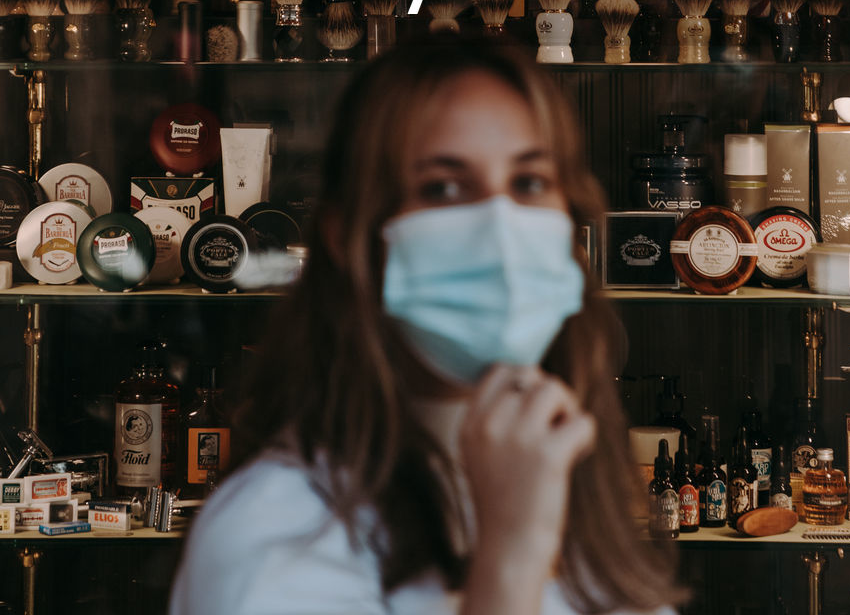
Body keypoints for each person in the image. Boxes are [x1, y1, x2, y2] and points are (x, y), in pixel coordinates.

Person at [169, 35, 681, 615]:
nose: (500, 226)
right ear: (349, 239)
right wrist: (510, 559)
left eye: (529, 182)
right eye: (443, 187)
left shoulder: (572, 486)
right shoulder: (272, 534)